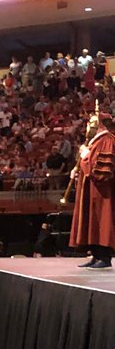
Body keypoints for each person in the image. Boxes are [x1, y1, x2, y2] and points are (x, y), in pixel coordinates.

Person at [69, 112, 115, 268]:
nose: (88, 127)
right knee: (92, 222)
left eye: (92, 124)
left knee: (102, 221)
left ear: (100, 125)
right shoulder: (96, 141)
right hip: (92, 190)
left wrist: (85, 156)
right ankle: (96, 255)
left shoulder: (107, 140)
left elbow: (101, 171)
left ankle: (104, 257)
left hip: (102, 192)